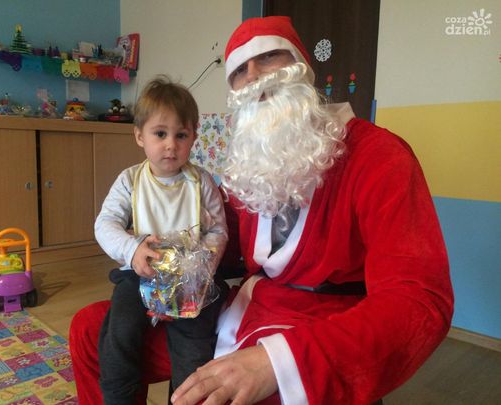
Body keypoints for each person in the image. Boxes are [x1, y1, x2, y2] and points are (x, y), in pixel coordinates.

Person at [70, 16, 454, 405]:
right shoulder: (252, 166)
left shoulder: (379, 156)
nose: (253, 76)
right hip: (249, 309)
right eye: (239, 70)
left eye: (268, 56)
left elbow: (420, 301)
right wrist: (168, 269)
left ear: (301, 67)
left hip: (324, 329)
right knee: (90, 330)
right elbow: (227, 246)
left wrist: (278, 363)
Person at [91, 75, 228, 404]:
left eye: (181, 135)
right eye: (160, 134)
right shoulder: (130, 180)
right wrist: (132, 249)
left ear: (194, 136)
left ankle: (184, 398)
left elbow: (218, 231)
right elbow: (105, 224)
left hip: (190, 281)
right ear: (140, 135)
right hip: (139, 273)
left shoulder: (202, 182)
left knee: (194, 346)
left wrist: (203, 267)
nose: (171, 145)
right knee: (120, 332)